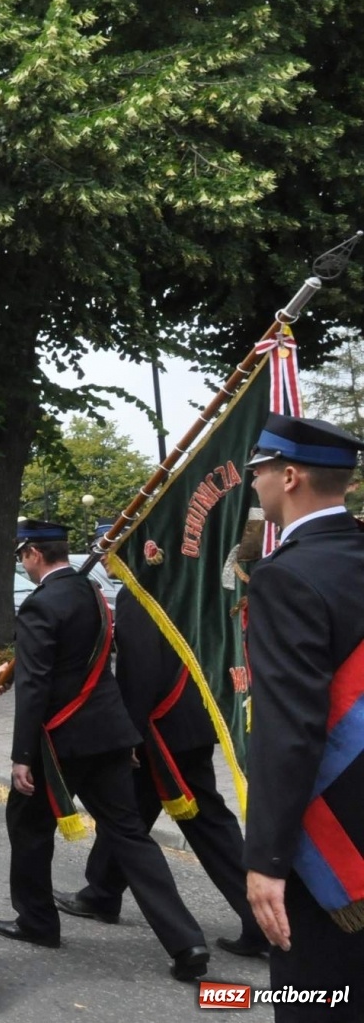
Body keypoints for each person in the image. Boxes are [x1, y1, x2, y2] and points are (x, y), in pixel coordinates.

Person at [0, 520, 209, 982]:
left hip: (59, 742)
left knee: (28, 827)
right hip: (108, 736)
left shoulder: (40, 604)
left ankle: (37, 922)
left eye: (21, 555)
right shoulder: (94, 595)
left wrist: (22, 754)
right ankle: (186, 939)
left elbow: (35, 686)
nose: (21, 563)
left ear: (32, 554)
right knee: (129, 835)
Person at [54, 583, 267, 957]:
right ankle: (101, 892)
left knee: (207, 824)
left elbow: (140, 670)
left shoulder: (139, 594)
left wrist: (130, 733)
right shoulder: (184, 586)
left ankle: (260, 919)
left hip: (161, 726)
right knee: (128, 812)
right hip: (191, 714)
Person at [242, 414, 364, 1018]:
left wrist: (266, 860)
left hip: (334, 849)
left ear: (289, 476)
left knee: (319, 998)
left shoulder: (285, 576)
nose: (254, 482)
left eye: (258, 470)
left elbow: (288, 733)